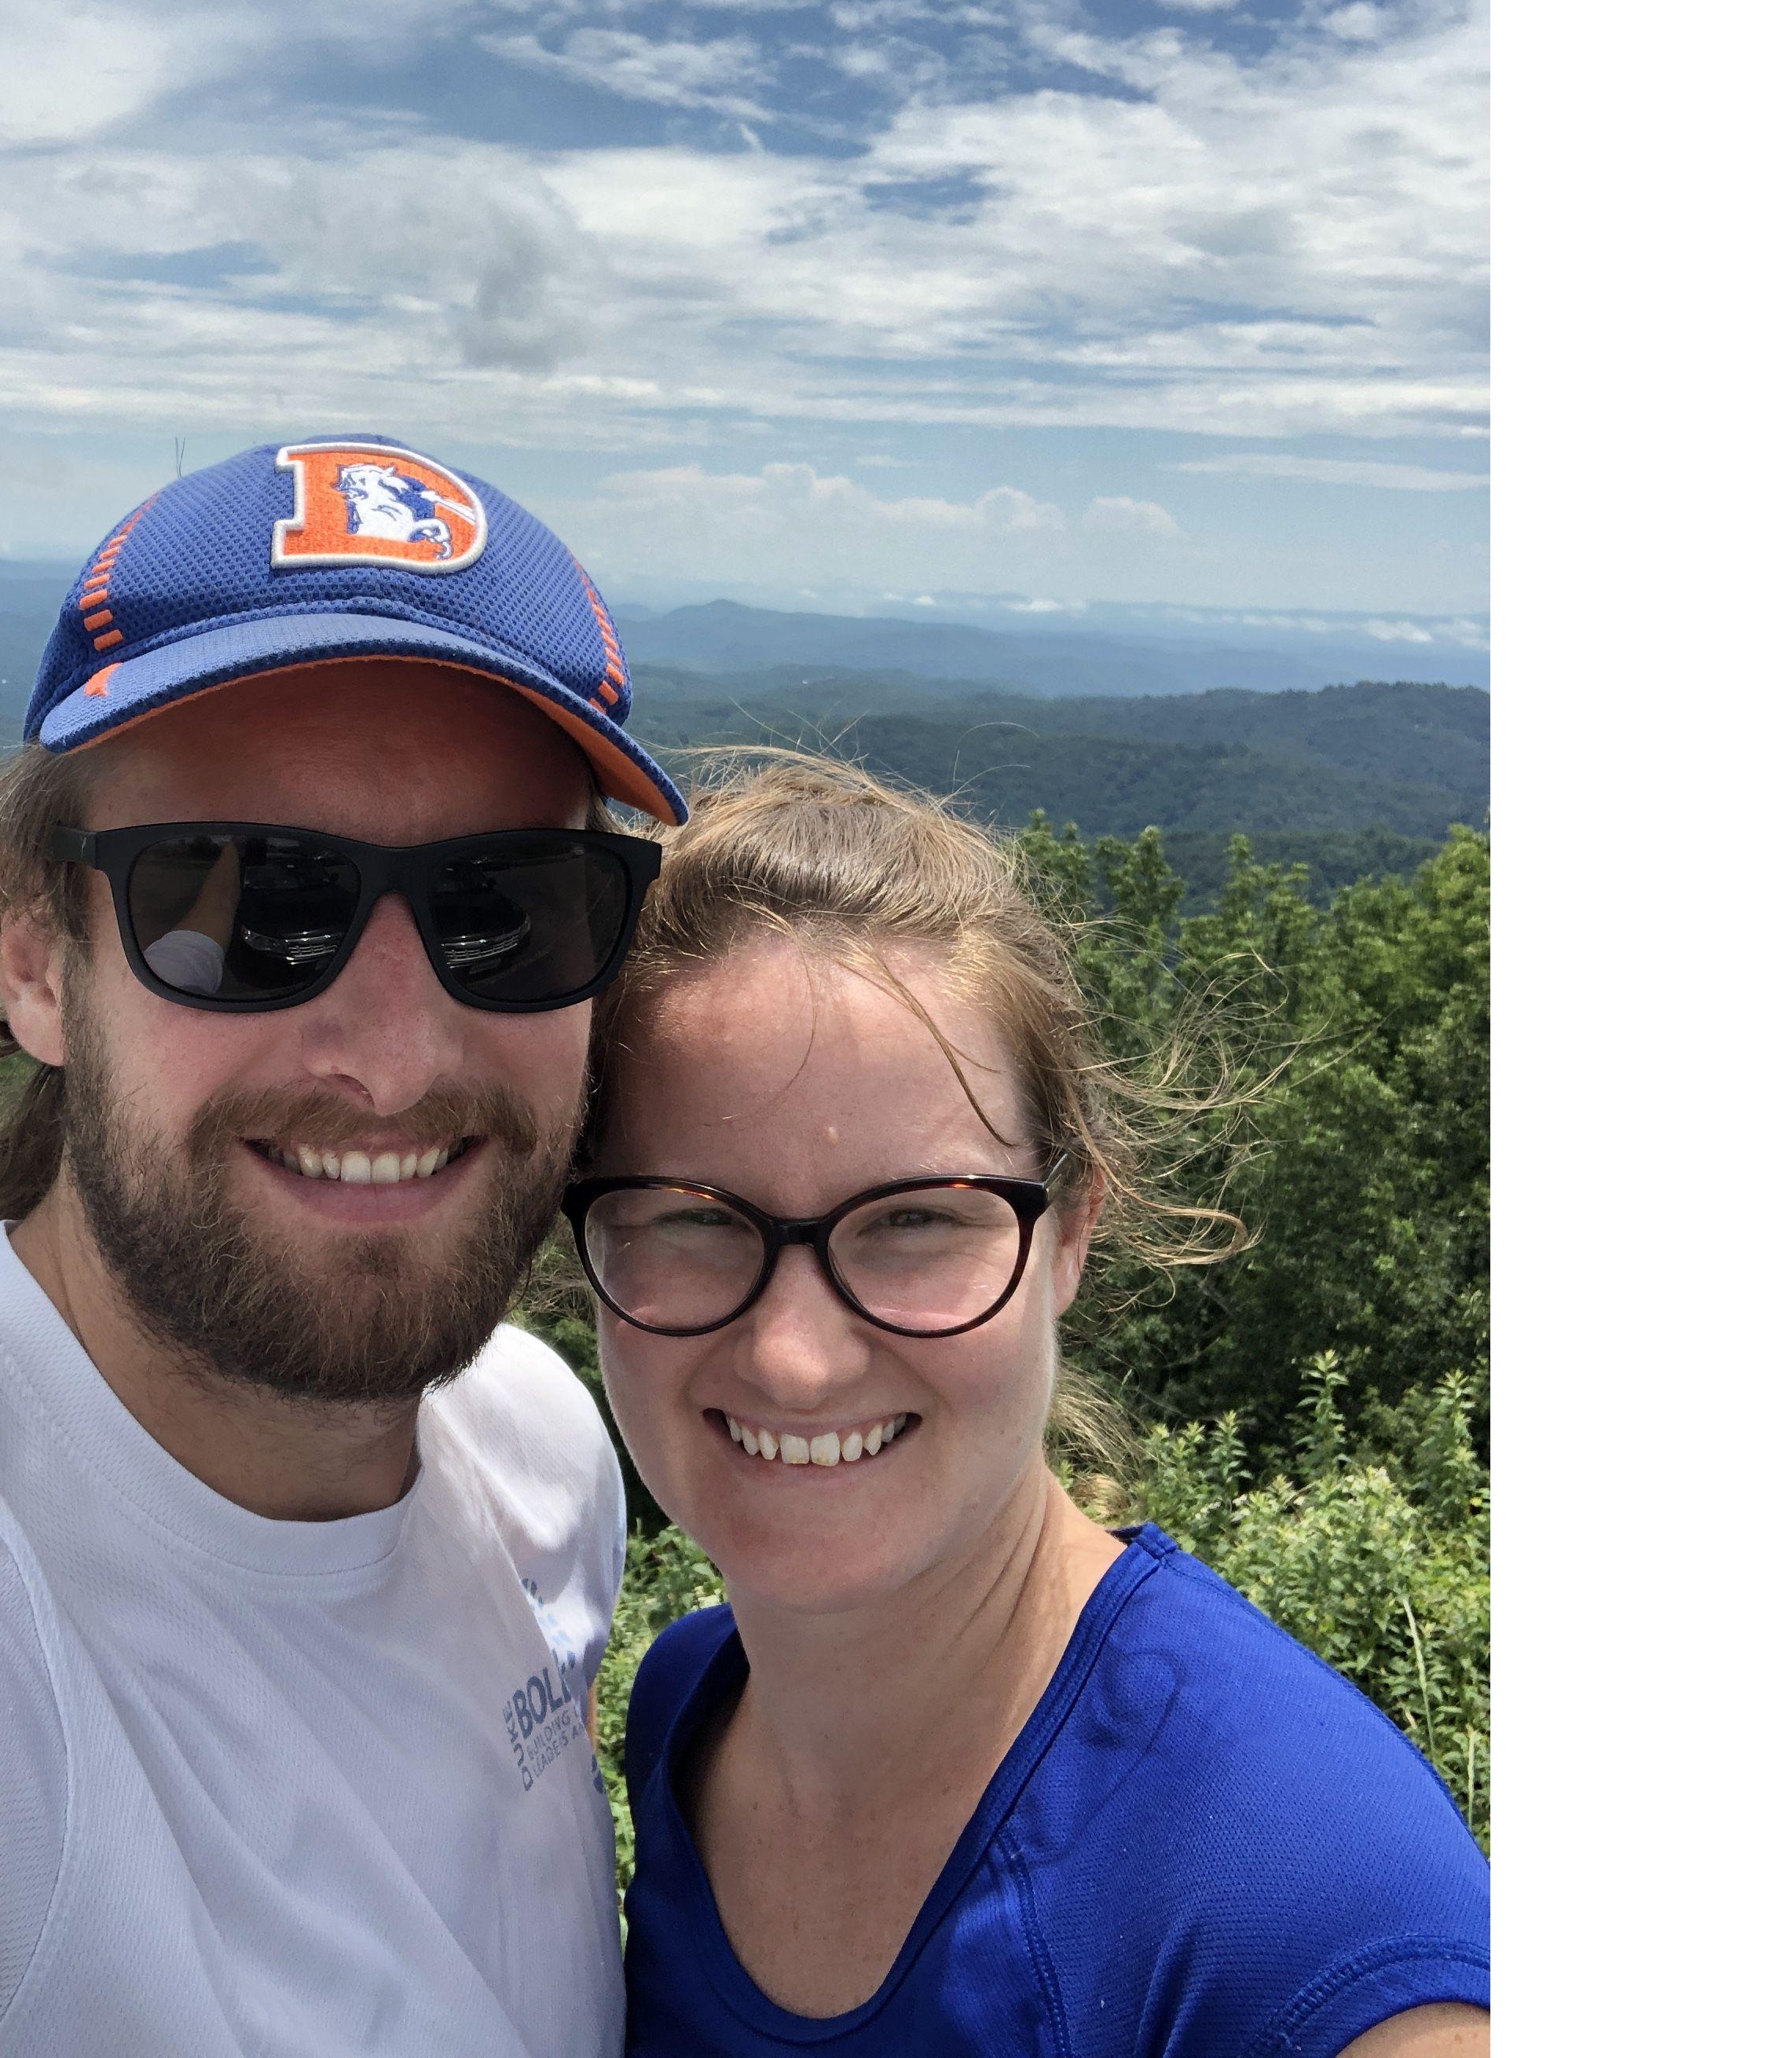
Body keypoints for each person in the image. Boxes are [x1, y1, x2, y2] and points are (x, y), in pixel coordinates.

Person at [0, 438, 686, 2058]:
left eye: (509, 903)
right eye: (242, 902)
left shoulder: (540, 1447)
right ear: (35, 957)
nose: (395, 1050)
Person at [572, 760, 1490, 2057]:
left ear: (1071, 1234)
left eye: (914, 1222)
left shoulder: (1305, 1911)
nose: (794, 1360)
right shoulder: (688, 1711)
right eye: (690, 1220)